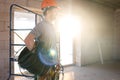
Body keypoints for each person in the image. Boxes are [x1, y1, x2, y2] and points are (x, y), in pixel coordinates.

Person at [24, 0, 59, 80]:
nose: (57, 13)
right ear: (48, 11)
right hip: (44, 67)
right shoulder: (42, 26)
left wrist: (56, 60)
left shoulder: (51, 26)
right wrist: (38, 59)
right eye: (55, 11)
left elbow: (53, 45)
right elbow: (28, 40)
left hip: (52, 64)